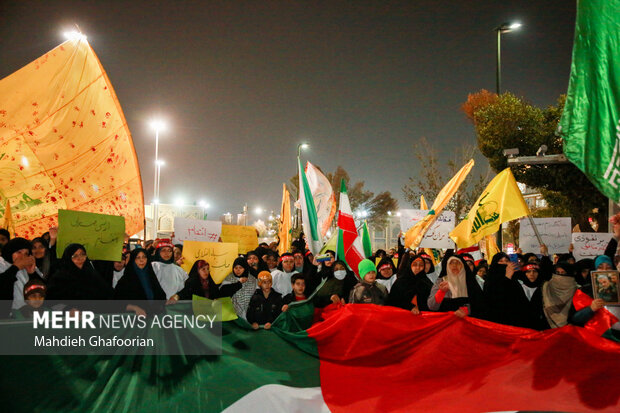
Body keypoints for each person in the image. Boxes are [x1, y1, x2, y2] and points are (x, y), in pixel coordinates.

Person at [484, 254, 548, 330]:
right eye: (501, 261)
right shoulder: (490, 281)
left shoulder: (516, 280)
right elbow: (497, 300)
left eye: (507, 261)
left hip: (517, 324)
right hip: (499, 324)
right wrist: (507, 278)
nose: (505, 263)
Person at [46, 244, 114, 304]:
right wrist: (67, 310)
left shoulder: (93, 275)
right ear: (68, 259)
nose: (80, 258)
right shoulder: (59, 278)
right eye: (75, 256)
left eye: (82, 254)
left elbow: (107, 294)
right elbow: (52, 301)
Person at [0, 237, 40, 316]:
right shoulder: (1, 263)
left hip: (24, 314)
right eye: (19, 252)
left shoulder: (25, 267)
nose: (22, 257)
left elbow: (41, 290)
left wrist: (31, 273)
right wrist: (15, 268)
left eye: (26, 254)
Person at [169, 260, 243, 301]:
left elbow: (218, 294)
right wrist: (176, 297)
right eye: (203, 269)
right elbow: (184, 293)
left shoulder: (210, 282)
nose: (206, 272)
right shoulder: (191, 282)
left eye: (208, 269)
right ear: (197, 271)